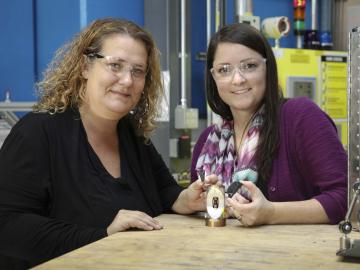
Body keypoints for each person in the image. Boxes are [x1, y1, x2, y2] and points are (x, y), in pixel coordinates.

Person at [0, 18, 215, 269]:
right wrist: (103, 235)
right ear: (85, 67)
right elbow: (7, 225)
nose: (127, 80)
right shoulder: (38, 133)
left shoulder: (131, 136)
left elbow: (164, 190)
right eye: (115, 65)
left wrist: (186, 200)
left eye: (137, 71)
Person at [191, 23, 347, 227]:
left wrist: (272, 213)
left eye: (249, 66)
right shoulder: (208, 142)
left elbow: (347, 198)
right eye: (224, 70)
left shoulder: (301, 117)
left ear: (267, 68)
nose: (237, 79)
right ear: (214, 78)